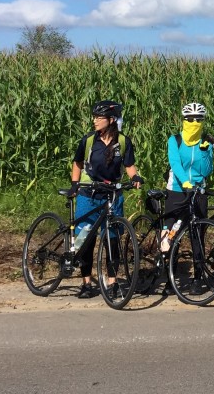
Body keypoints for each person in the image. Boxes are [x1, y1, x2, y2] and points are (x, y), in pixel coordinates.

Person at [70, 100, 143, 299]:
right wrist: (75, 185)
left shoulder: (123, 141)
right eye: (94, 117)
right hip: (89, 195)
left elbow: (129, 164)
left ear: (111, 120)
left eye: (99, 118)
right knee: (85, 240)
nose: (94, 121)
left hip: (112, 195)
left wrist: (134, 177)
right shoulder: (88, 141)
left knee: (112, 240)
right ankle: (86, 282)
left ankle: (112, 282)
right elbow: (77, 163)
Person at [162, 102, 214, 251]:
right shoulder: (175, 140)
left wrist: (205, 153)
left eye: (199, 119)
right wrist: (185, 181)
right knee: (169, 232)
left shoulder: (205, 142)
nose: (195, 123)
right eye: (190, 119)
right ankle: (165, 264)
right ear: (184, 120)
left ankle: (199, 271)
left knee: (198, 233)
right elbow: (175, 163)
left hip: (198, 191)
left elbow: (206, 171)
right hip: (177, 189)